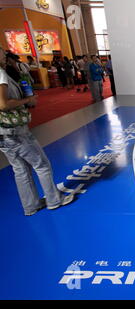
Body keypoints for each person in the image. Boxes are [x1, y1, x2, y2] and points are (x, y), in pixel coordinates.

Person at [0, 45, 75, 216]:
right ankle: (54, 200)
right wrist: (27, 99)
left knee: (20, 169)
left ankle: (31, 205)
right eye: (2, 52)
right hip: (15, 132)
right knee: (41, 164)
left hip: (2, 135)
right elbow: (3, 104)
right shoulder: (1, 74)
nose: (4, 54)